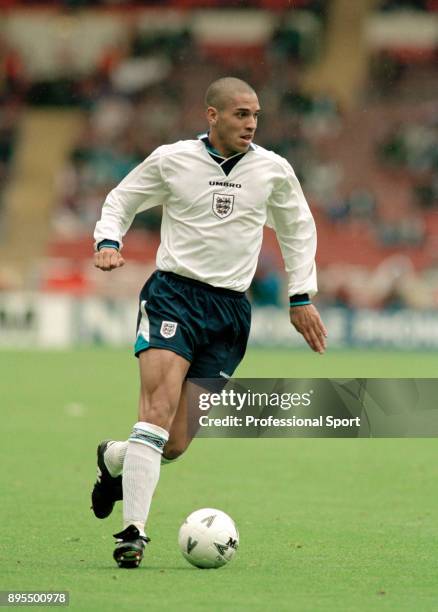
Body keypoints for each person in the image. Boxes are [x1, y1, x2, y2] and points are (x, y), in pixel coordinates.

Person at [91, 76, 327, 569]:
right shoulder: (173, 159)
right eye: (241, 114)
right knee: (155, 412)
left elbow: (299, 229)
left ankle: (115, 458)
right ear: (213, 115)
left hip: (229, 313)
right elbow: (122, 198)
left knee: (172, 444)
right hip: (173, 296)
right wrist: (108, 241)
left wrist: (300, 294)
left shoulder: (272, 170)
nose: (251, 124)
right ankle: (133, 532)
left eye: (256, 115)